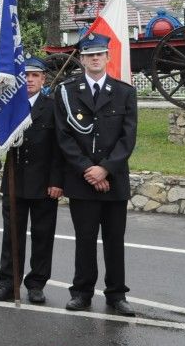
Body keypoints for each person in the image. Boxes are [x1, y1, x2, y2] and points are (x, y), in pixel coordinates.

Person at [55, 33, 137, 316]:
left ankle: (116, 295)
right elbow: (64, 137)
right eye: (89, 55)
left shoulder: (125, 92)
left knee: (115, 240)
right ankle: (82, 292)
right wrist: (88, 170)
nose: (95, 58)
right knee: (85, 239)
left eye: (100, 54)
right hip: (82, 180)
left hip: (114, 179)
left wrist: (105, 168)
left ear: (108, 57)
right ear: (81, 60)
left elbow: (128, 138)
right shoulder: (66, 91)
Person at [0, 56, 64, 304]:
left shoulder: (53, 107)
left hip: (44, 184)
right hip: (15, 181)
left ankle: (36, 283)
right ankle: (8, 282)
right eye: (26, 76)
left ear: (43, 80)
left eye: (35, 76)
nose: (29, 80)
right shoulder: (10, 106)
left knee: (43, 236)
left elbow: (59, 148)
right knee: (12, 236)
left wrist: (56, 181)